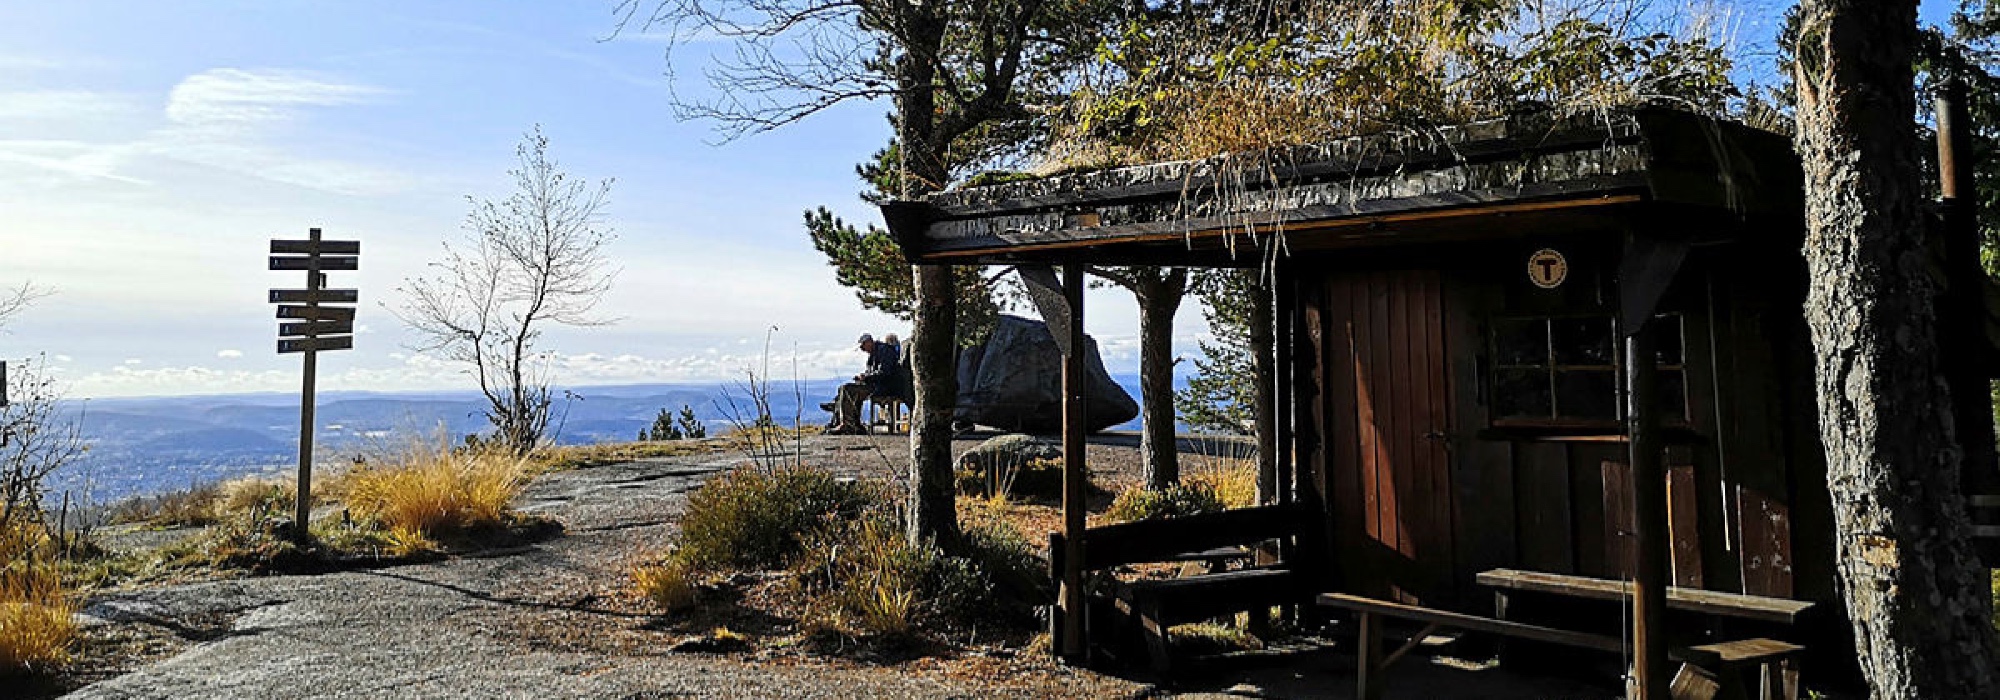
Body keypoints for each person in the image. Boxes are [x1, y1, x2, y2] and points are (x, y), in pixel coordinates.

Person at [821, 333, 902, 435]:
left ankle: (846, 423)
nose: (862, 349)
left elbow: (885, 373)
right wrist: (863, 377)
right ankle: (850, 421)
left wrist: (866, 377)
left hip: (883, 386)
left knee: (847, 389)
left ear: (869, 342)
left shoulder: (884, 351)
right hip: (875, 384)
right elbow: (872, 371)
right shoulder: (873, 354)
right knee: (843, 389)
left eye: (863, 346)